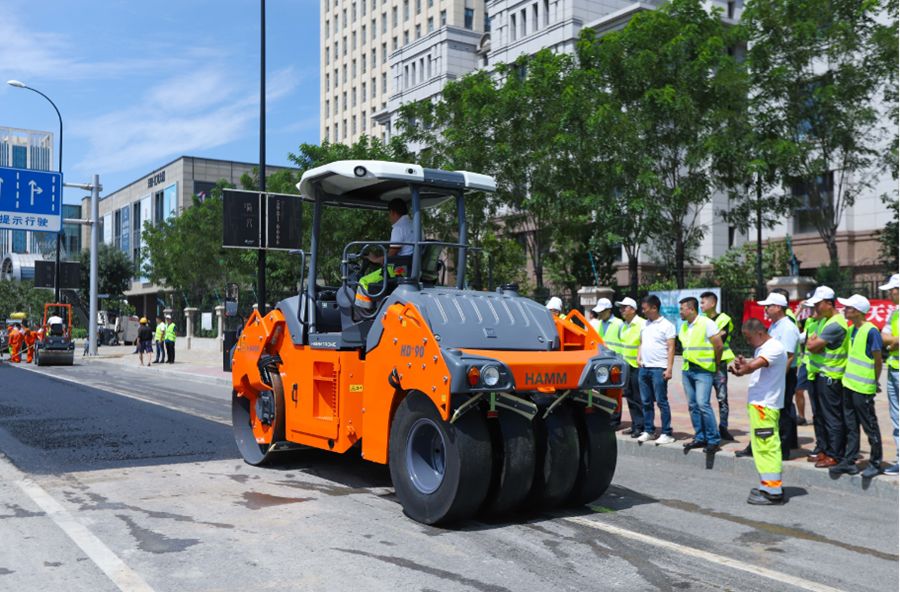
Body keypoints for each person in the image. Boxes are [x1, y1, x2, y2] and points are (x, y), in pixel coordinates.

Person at [729, 318, 788, 505]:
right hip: (760, 405)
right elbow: (753, 365)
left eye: (748, 338)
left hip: (765, 406)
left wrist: (743, 368)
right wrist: (743, 366)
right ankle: (768, 485)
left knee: (766, 447)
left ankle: (773, 491)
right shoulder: (763, 348)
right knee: (762, 446)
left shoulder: (773, 348)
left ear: (759, 333)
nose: (747, 342)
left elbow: (753, 366)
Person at [829, 295, 884, 478]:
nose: (844, 310)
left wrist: (874, 382)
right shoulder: (853, 329)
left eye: (848, 308)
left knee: (870, 426)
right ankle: (849, 461)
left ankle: (875, 462)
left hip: (863, 387)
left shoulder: (871, 331)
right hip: (849, 385)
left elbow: (877, 360)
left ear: (858, 311)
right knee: (851, 425)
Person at [804, 286, 849, 469]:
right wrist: (813, 343)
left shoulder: (836, 324)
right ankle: (824, 448)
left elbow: (812, 346)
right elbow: (811, 343)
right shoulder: (825, 321)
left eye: (818, 304)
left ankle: (835, 454)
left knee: (832, 417)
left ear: (829, 304)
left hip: (831, 375)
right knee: (820, 415)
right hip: (820, 373)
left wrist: (813, 343)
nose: (815, 308)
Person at [678, 296, 724, 453]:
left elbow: (718, 345)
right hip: (687, 369)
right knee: (693, 405)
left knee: (703, 404)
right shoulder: (684, 326)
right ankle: (700, 437)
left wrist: (716, 364)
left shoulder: (707, 323)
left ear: (691, 309)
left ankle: (713, 440)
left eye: (682, 308)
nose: (680, 312)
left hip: (703, 370)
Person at [355, 198, 415, 314]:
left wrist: (375, 259)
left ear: (393, 212)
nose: (389, 218)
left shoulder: (398, 228)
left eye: (389, 214)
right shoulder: (415, 225)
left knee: (363, 281)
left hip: (397, 270)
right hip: (410, 267)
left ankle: (364, 315)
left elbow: (391, 255)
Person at [761, 292, 800, 459]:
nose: (766, 309)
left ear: (777, 308)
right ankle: (782, 443)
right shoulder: (775, 325)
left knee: (782, 410)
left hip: (784, 373)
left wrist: (779, 377)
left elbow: (789, 355)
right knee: (777, 409)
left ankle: (784, 449)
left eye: (768, 306)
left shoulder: (788, 327)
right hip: (775, 373)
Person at [637, 295, 677, 444]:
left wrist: (669, 368)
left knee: (661, 401)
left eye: (645, 308)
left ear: (654, 308)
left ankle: (666, 432)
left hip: (659, 369)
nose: (643, 311)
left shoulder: (667, 325)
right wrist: (638, 357)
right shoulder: (644, 324)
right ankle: (649, 430)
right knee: (646, 401)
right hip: (644, 368)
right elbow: (641, 342)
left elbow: (671, 347)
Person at [701, 291, 735, 441]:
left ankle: (723, 427)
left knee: (722, 398)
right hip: (703, 363)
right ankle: (707, 428)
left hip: (719, 363)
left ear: (713, 303)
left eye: (703, 302)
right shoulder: (700, 320)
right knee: (702, 400)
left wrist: (707, 337)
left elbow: (719, 338)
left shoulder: (724, 319)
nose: (701, 305)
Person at [613, 297, 645, 436]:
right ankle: (635, 424)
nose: (621, 310)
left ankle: (642, 426)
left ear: (632, 309)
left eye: (624, 307)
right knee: (630, 398)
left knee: (639, 398)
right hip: (626, 367)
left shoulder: (642, 324)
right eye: (620, 308)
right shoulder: (624, 325)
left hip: (638, 366)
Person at [879, 274, 899, 475]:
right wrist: (894, 340)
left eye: (892, 290)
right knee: (896, 416)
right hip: (894, 370)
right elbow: (884, 338)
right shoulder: (894, 313)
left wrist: (892, 341)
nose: (890, 294)